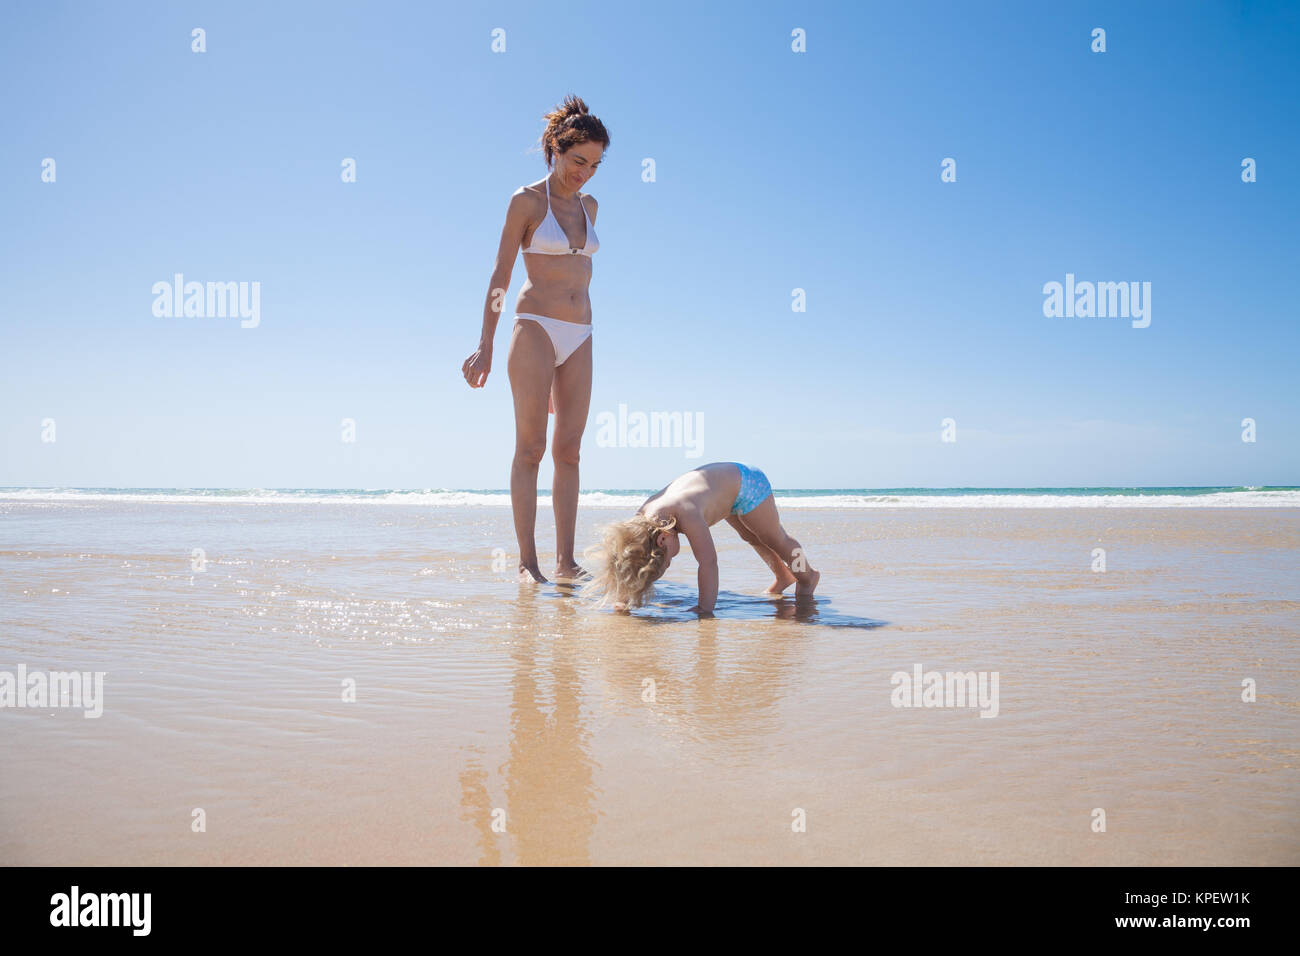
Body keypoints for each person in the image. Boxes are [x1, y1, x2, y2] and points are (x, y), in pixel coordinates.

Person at [462, 95, 610, 583]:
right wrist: (486, 342)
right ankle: (529, 564)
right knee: (531, 449)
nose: (584, 173)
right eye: (577, 161)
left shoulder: (589, 206)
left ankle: (567, 562)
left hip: (581, 333)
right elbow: (500, 275)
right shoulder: (526, 201)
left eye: (594, 164)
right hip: (534, 328)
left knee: (571, 451)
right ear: (555, 151)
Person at [581, 462, 820, 616]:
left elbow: (708, 563)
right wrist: (623, 597)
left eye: (668, 562)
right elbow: (632, 558)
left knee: (774, 537)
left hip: (747, 485)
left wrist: (705, 608)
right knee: (751, 537)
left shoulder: (686, 512)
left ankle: (807, 576)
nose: (670, 562)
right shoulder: (643, 521)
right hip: (725, 489)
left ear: (663, 540)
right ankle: (782, 576)